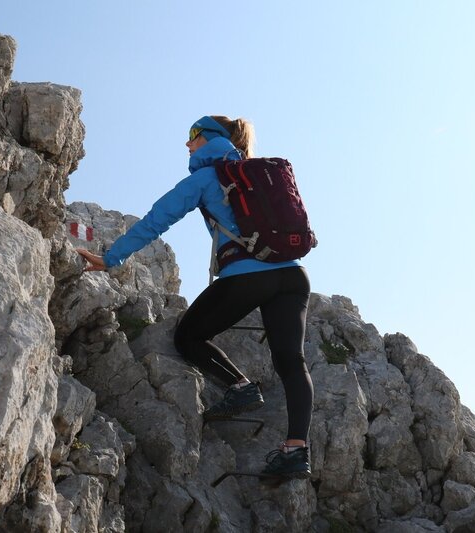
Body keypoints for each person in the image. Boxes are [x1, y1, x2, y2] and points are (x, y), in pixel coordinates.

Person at [76, 115, 313, 479]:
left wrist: (111, 258)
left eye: (192, 136)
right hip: (293, 275)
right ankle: (296, 449)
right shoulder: (261, 173)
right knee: (291, 361)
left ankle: (241, 386)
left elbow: (157, 219)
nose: (187, 145)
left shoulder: (206, 178)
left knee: (189, 336)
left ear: (209, 138)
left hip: (246, 276)